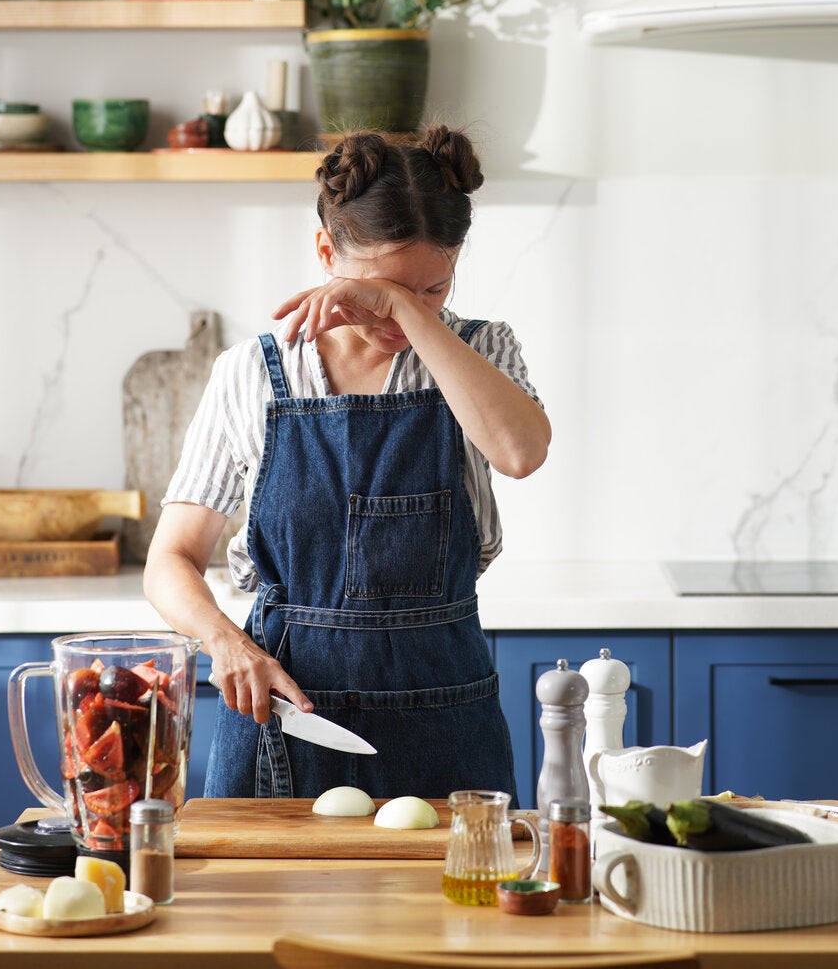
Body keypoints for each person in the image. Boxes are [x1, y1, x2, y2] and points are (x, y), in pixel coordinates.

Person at [143, 125, 550, 800]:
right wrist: (224, 640)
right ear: (326, 251)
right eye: (387, 287)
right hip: (288, 717)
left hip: (446, 719)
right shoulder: (254, 372)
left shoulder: (481, 353)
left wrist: (403, 310)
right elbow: (171, 559)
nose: (408, 310)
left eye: (435, 288)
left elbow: (520, 451)